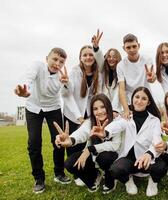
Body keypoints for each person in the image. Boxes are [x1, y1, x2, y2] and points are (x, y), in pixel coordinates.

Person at [14, 47, 71, 194]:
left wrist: (65, 84)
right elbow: (28, 79)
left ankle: (59, 173)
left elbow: (66, 94)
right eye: (54, 59)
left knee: (58, 140)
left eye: (61, 62)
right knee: (34, 143)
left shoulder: (62, 76)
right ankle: (39, 179)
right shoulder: (37, 66)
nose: (57, 63)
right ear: (47, 58)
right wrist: (25, 91)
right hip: (33, 107)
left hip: (53, 108)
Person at [97, 87, 167, 197]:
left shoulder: (155, 120)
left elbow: (157, 139)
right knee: (116, 169)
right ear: (132, 98)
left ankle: (153, 182)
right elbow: (117, 125)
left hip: (146, 160)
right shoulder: (126, 116)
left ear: (148, 102)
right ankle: (128, 180)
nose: (139, 101)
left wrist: (149, 154)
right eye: (137, 97)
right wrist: (105, 132)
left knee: (161, 167)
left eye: (144, 99)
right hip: (129, 160)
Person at [54, 94, 121, 193]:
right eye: (95, 109)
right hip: (93, 156)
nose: (99, 111)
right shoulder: (90, 122)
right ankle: (94, 177)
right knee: (70, 163)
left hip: (111, 157)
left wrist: (90, 149)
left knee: (104, 158)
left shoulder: (116, 121)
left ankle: (110, 178)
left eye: (103, 107)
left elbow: (115, 145)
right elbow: (81, 133)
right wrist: (70, 140)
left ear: (109, 107)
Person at [61, 30, 104, 185]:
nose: (88, 57)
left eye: (90, 55)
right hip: (73, 114)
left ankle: (92, 169)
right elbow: (67, 95)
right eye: (85, 55)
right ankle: (78, 173)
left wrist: (97, 47)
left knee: (89, 142)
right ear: (80, 57)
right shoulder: (74, 71)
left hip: (90, 115)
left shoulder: (98, 73)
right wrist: (78, 116)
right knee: (73, 143)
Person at [117, 34, 155, 119]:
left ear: (139, 46)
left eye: (134, 46)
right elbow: (122, 89)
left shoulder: (147, 59)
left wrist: (152, 78)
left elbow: (152, 78)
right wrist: (126, 109)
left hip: (147, 99)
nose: (132, 50)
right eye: (128, 47)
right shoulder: (120, 65)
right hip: (132, 102)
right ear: (124, 48)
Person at [101, 48, 122, 114]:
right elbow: (98, 58)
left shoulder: (121, 73)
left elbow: (119, 94)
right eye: (109, 56)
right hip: (102, 107)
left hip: (116, 110)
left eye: (114, 57)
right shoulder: (102, 71)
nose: (111, 59)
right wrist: (96, 48)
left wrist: (114, 110)